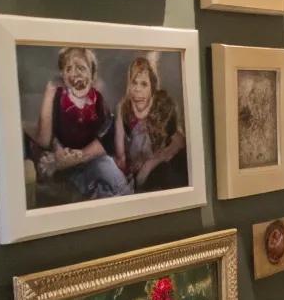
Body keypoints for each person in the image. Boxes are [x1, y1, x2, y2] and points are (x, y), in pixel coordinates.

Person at [35, 47, 130, 200]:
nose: (74, 74)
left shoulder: (97, 100)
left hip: (92, 161)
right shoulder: (58, 97)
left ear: (92, 76)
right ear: (62, 76)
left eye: (81, 68)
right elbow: (44, 139)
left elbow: (106, 140)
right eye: (68, 69)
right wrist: (49, 91)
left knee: (109, 172)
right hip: (69, 169)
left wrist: (77, 158)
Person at [114, 56, 187, 193]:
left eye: (143, 84)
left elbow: (179, 141)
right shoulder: (123, 108)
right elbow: (121, 157)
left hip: (161, 169)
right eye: (134, 83)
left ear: (152, 86)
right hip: (133, 176)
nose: (137, 89)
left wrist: (150, 163)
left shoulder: (162, 106)